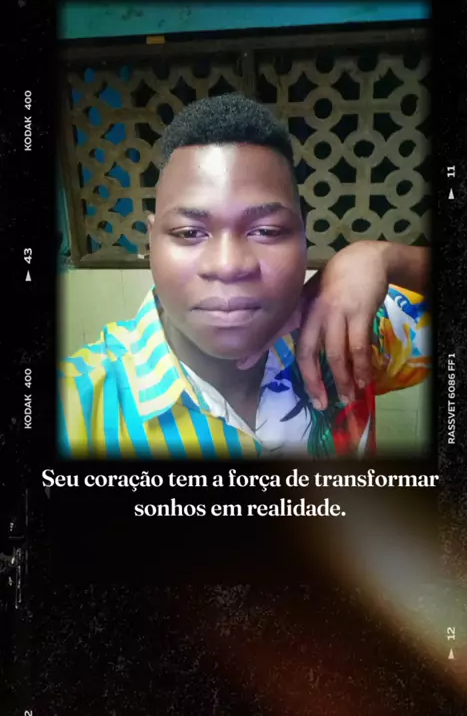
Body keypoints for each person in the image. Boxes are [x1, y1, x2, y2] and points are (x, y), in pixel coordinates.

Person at [59, 93, 431, 459]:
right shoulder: (75, 407)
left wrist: (384, 258)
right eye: (189, 232)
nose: (228, 265)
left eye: (266, 230)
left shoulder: (350, 332)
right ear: (151, 240)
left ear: (303, 232)